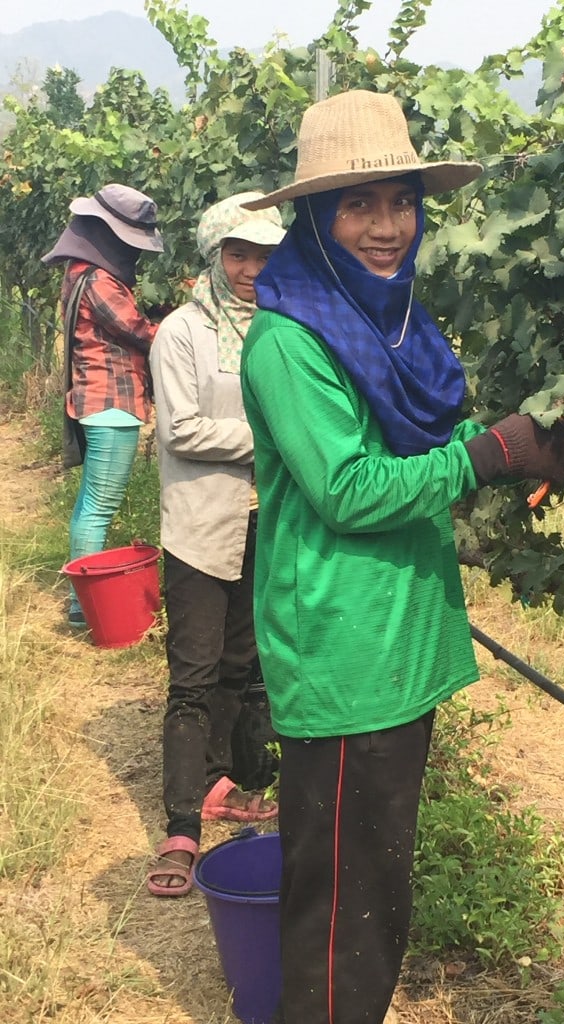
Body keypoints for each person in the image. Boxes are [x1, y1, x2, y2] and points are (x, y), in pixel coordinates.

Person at [239, 90, 564, 1024]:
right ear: (313, 216)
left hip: (397, 648)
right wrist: (484, 455)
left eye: (402, 201)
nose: (388, 227)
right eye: (359, 204)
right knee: (343, 921)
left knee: (374, 899)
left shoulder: (386, 325)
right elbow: (348, 489)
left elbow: (419, 446)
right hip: (345, 658)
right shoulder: (289, 339)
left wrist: (557, 441)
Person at [146, 192, 285, 898]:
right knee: (194, 676)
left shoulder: (282, 329)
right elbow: (183, 431)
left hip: (265, 522)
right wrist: (276, 444)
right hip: (201, 528)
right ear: (213, 256)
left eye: (264, 254)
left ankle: (227, 787)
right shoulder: (182, 333)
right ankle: (180, 827)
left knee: (245, 663)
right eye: (238, 253)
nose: (251, 268)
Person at [42, 183, 164, 628]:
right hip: (112, 404)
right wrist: (184, 330)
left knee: (90, 504)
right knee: (99, 506)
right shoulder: (99, 280)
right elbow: (136, 330)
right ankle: (84, 608)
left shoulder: (80, 274)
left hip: (96, 401)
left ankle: (82, 604)